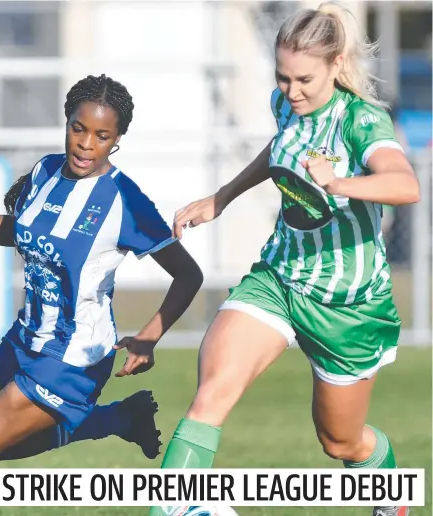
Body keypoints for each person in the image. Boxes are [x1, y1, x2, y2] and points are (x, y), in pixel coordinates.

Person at [150, 3, 420, 516]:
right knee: (211, 394)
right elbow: (280, 149)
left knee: (341, 442)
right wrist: (222, 197)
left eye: (305, 80)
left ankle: (389, 491)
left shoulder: (362, 121)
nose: (292, 91)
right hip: (278, 278)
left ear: (337, 65)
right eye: (283, 77)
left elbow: (406, 185)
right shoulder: (284, 105)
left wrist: (339, 183)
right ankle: (177, 507)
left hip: (347, 308)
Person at [0, 73, 204, 516]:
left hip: (74, 357)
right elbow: (17, 231)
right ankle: (117, 419)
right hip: (25, 337)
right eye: (78, 128)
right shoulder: (44, 171)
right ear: (66, 122)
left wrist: (150, 336)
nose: (86, 143)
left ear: (117, 140)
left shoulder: (125, 200)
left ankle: (108, 417)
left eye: (102, 136)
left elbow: (188, 274)